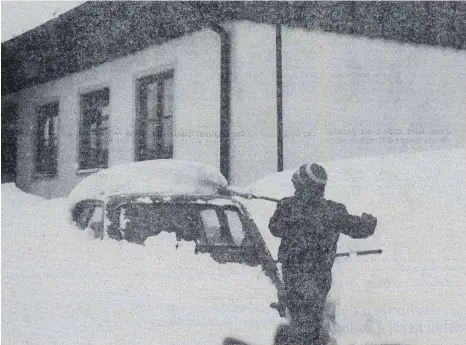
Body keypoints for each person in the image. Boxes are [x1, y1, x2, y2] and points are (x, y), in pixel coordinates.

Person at [269, 163, 377, 345]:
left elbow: (274, 228)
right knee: (313, 315)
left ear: (301, 186)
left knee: (300, 318)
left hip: (293, 274)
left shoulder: (288, 206)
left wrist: (285, 208)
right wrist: (369, 221)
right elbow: (360, 229)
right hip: (320, 275)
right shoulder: (333, 210)